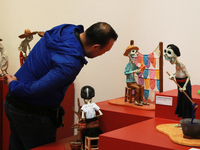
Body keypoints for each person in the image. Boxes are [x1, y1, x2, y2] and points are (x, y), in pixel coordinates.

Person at [3, 22, 118, 150]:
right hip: (31, 111)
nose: (103, 54)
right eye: (105, 51)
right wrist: (13, 84)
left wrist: (14, 85)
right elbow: (35, 90)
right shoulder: (70, 62)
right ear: (96, 47)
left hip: (13, 103)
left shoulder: (65, 29)